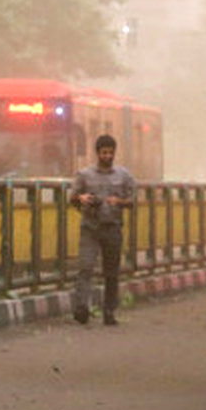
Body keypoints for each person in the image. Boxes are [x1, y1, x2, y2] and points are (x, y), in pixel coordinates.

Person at [70, 134, 135, 326]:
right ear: (97, 153)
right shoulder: (84, 175)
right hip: (90, 227)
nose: (107, 156)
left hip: (112, 227)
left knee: (111, 272)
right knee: (85, 267)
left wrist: (119, 202)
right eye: (104, 152)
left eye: (110, 153)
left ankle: (109, 310)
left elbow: (133, 201)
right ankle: (81, 307)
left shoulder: (123, 176)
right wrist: (81, 199)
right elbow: (72, 198)